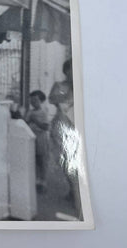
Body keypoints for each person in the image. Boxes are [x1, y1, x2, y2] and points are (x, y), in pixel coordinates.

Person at [49, 58, 81, 215]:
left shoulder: (83, 85)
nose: (73, 72)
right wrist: (67, 95)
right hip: (63, 127)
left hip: (78, 127)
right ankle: (72, 191)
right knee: (65, 162)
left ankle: (78, 201)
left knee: (73, 164)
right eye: (70, 69)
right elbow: (51, 98)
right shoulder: (60, 86)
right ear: (66, 70)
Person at [25, 90, 51, 193]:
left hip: (41, 138)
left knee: (42, 161)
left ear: (41, 101)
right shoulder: (30, 112)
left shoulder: (43, 112)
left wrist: (35, 120)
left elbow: (46, 126)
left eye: (35, 100)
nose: (33, 102)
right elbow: (26, 122)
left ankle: (43, 182)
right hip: (32, 138)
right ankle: (36, 181)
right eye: (31, 100)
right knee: (34, 159)